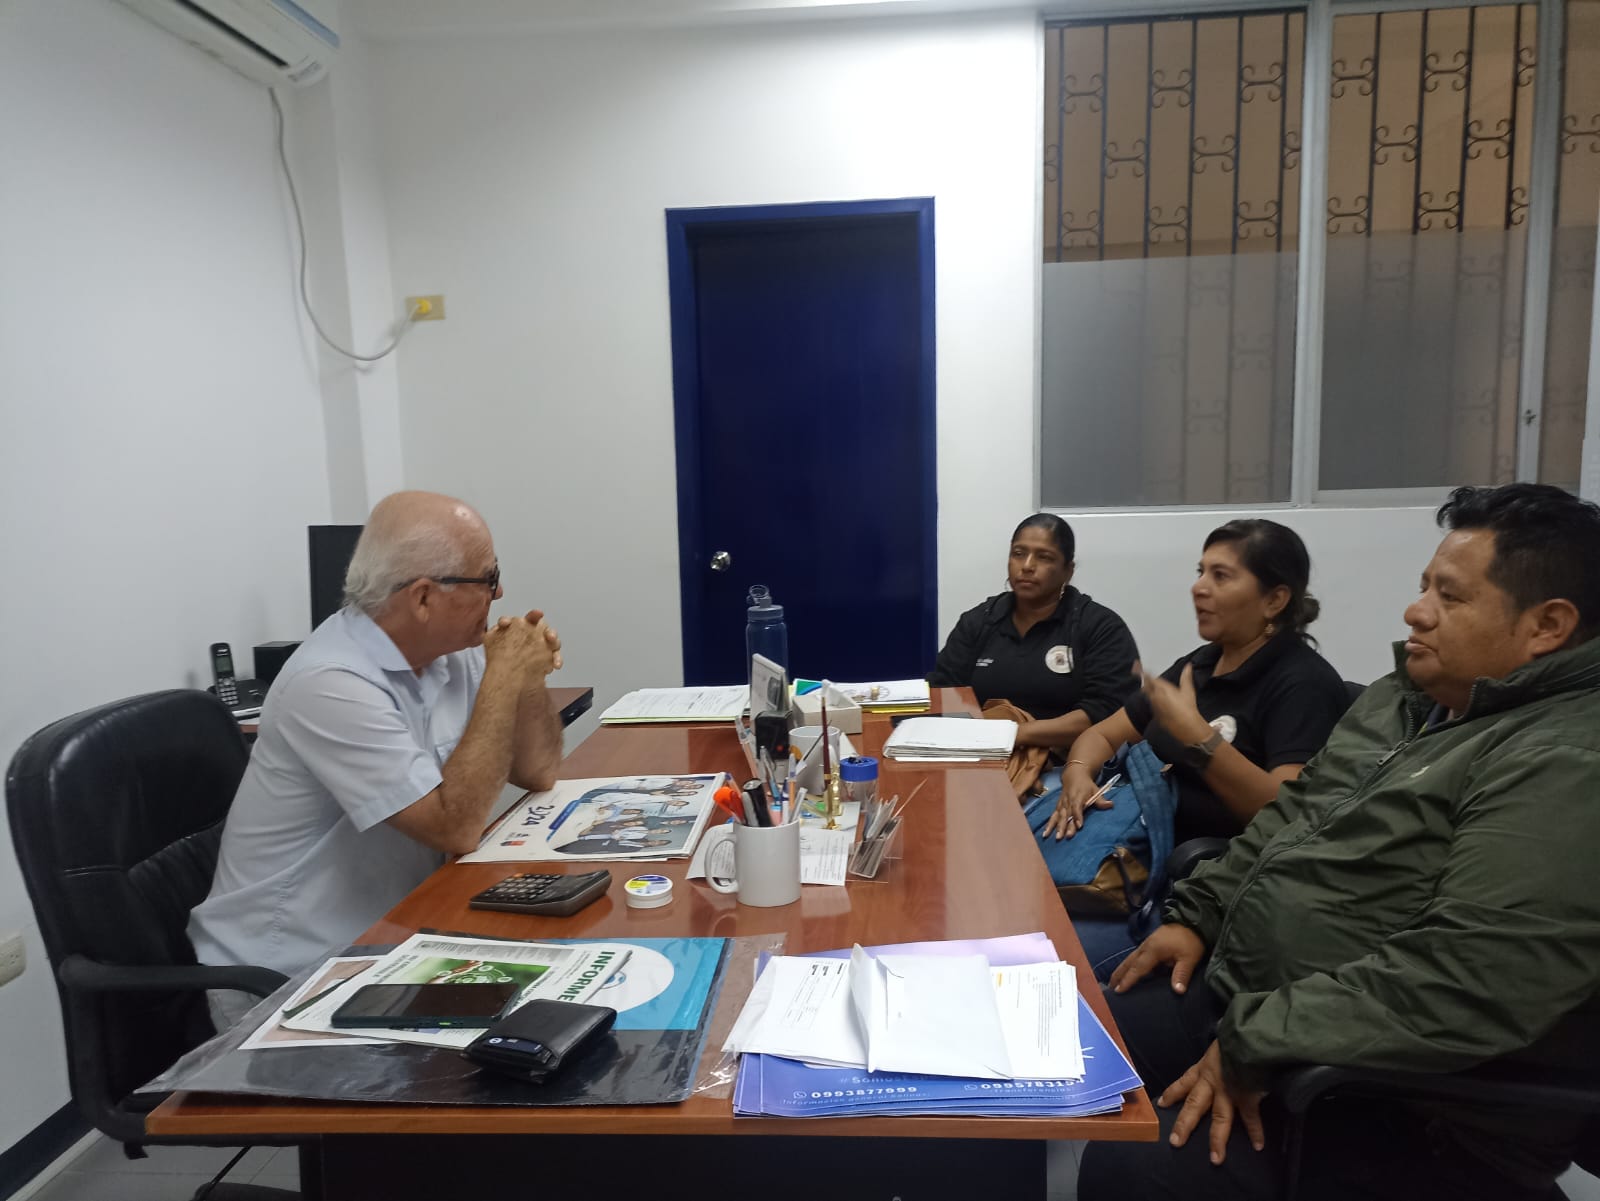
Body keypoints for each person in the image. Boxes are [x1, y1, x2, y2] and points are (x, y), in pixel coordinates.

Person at [1078, 483, 1600, 1201]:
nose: (1416, 611)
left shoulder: (1564, 760)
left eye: (1449, 596)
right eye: (1424, 586)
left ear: (1547, 625)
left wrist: (1259, 1039)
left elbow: (1471, 977)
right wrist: (1199, 913)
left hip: (1398, 1099)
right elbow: (1296, 813)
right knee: (1082, 1032)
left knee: (1134, 1167)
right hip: (1260, 999)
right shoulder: (1411, 697)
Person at [190, 491, 564, 1021]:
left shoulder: (448, 653)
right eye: (488, 578)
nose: (499, 592)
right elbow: (454, 828)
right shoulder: (329, 681)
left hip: (396, 933)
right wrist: (502, 674)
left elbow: (538, 771)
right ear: (423, 598)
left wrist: (525, 677)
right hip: (290, 975)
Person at [1034, 519, 1350, 976]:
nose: (1199, 588)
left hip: (1191, 889)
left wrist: (1199, 739)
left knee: (1039, 950)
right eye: (1201, 572)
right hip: (1124, 855)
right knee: (1009, 901)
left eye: (1221, 576)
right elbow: (1101, 734)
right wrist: (1078, 773)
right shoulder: (1199, 665)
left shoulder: (1302, 684)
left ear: (1275, 600)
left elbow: (1286, 817)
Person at [928, 514, 1138, 754]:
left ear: (1068, 571)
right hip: (980, 753)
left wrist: (1013, 735)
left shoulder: (1100, 627)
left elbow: (1109, 712)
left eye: (1044, 557)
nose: (1027, 566)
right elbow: (942, 692)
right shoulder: (978, 622)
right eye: (1018, 554)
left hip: (1067, 761)